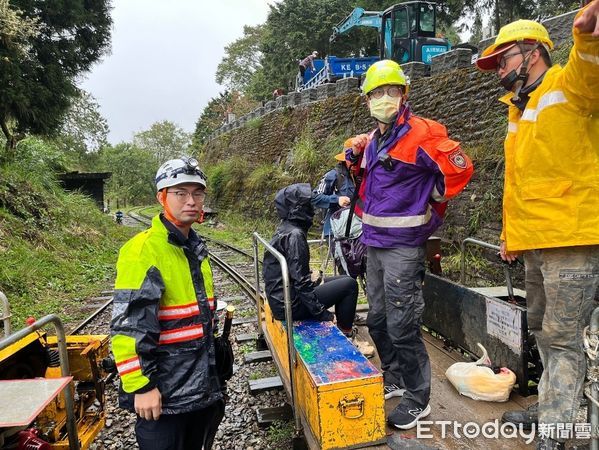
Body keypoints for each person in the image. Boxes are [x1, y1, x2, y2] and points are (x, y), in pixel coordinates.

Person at [475, 4, 599, 449]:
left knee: (564, 341)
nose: (499, 69)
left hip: (572, 239)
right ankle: (551, 410)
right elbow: (519, 182)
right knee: (545, 335)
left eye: (504, 57)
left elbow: (591, 72)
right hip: (536, 240)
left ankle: (556, 433)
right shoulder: (518, 110)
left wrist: (589, 38)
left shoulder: (568, 85)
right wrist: (511, 233)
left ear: (533, 52)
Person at [345, 60, 473, 429]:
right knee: (380, 320)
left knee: (403, 324)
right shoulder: (375, 139)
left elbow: (460, 167)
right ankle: (396, 378)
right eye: (377, 93)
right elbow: (368, 174)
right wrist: (354, 152)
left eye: (392, 91)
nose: (384, 98)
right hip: (375, 242)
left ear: (403, 95)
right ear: (367, 100)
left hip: (403, 245)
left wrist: (429, 200)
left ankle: (419, 398)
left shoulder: (422, 134)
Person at [110, 156, 225, 450]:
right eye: (180, 193)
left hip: (199, 386)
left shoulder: (194, 247)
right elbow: (128, 326)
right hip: (165, 396)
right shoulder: (143, 251)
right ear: (162, 197)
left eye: (197, 193)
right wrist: (142, 386)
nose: (191, 201)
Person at [262, 183, 374, 356]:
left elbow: (297, 275)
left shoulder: (285, 229)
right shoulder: (295, 236)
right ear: (298, 209)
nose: (313, 211)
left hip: (282, 298)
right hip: (290, 305)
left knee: (340, 281)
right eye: (308, 206)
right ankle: (347, 337)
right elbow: (301, 283)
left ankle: (344, 328)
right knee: (350, 285)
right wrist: (322, 314)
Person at [311, 152, 356, 269]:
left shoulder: (361, 176)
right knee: (345, 270)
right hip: (336, 232)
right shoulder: (333, 176)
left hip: (358, 230)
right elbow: (314, 197)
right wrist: (337, 199)